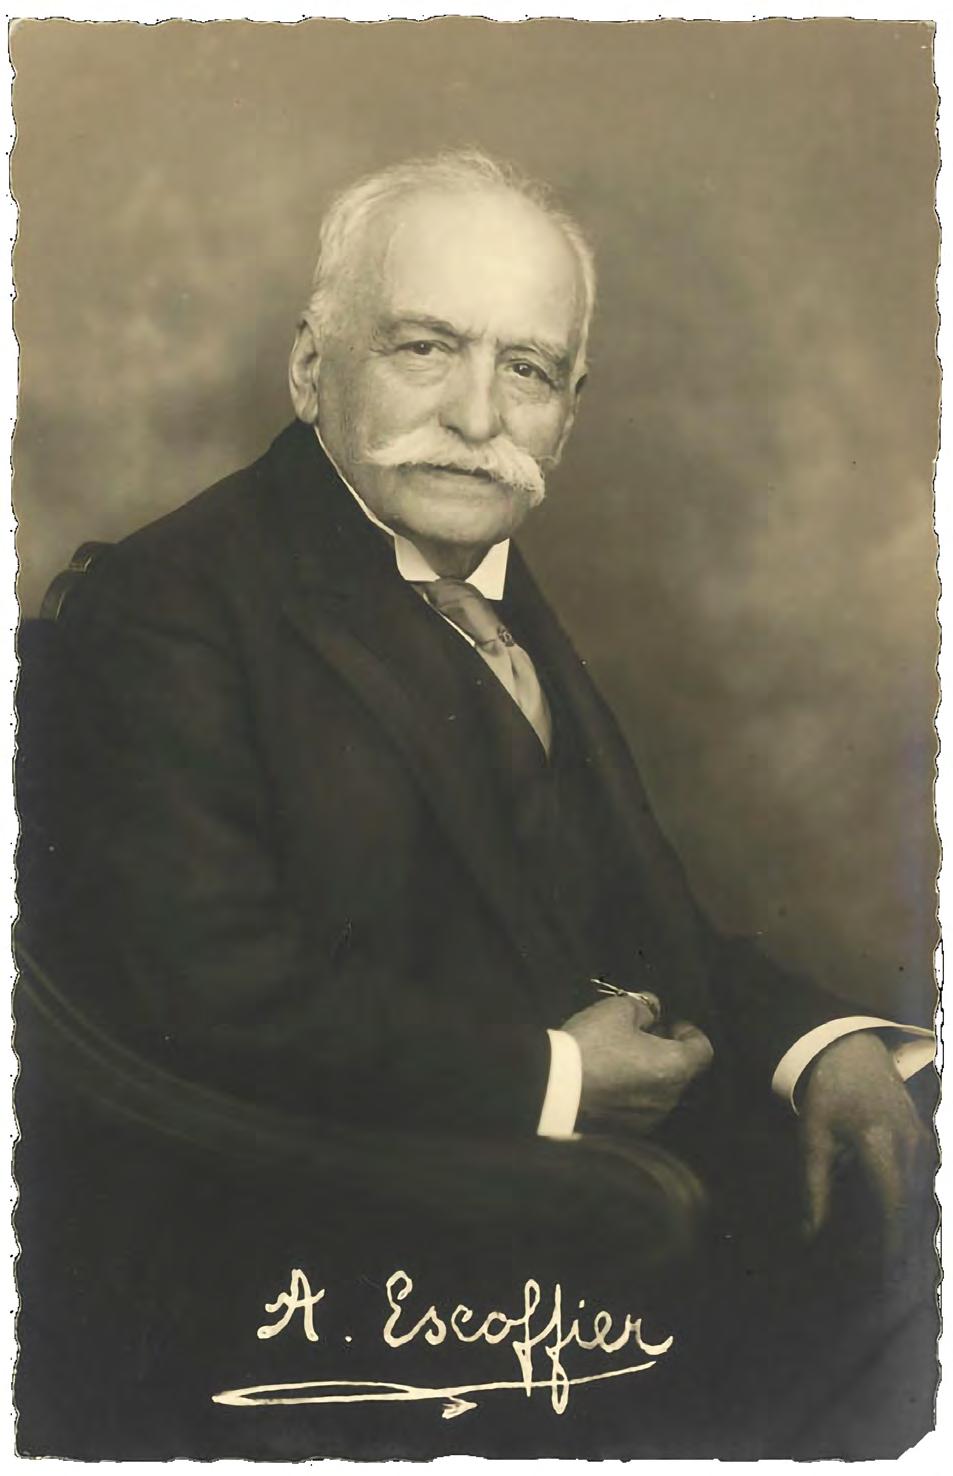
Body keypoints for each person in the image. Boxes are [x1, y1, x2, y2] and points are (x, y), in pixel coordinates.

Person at [17, 151, 936, 1458]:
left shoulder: (485, 577)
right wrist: (554, 1077)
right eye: (425, 347)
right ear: (311, 368)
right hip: (351, 1254)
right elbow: (204, 999)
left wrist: (824, 1045)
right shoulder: (171, 607)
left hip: (577, 1207)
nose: (474, 414)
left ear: (569, 413)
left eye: (528, 370)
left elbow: (644, 923)